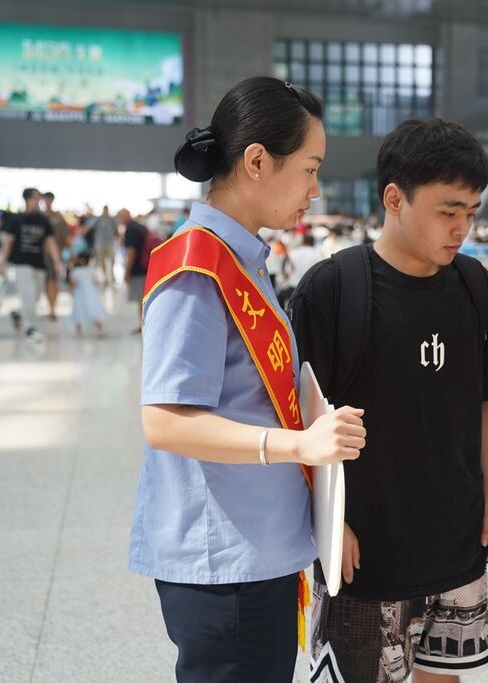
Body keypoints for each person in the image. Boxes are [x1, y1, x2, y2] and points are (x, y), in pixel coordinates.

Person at [129, 77, 366, 683]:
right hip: (224, 565)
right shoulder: (196, 269)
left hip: (258, 548)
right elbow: (164, 420)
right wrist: (299, 446)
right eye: (310, 168)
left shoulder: (245, 262)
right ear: (258, 161)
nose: (316, 190)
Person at [290, 118, 488, 683]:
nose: (461, 228)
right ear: (395, 198)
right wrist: (330, 526)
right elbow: (300, 420)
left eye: (471, 213)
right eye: (447, 211)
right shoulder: (334, 290)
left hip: (456, 541)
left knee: (444, 676)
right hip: (367, 550)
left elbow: (482, 402)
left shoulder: (475, 286)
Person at [0, 188, 63, 342]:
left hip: (39, 263)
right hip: (22, 263)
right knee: (27, 294)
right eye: (35, 198)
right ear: (27, 199)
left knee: (36, 295)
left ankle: (19, 314)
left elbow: (50, 242)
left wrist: (57, 261)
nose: (38, 201)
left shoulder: (43, 220)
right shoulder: (16, 220)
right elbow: (8, 242)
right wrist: (2, 263)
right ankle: (30, 328)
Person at [118, 209, 149, 333]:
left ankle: (143, 325)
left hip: (137, 269)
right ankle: (143, 324)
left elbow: (131, 252)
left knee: (140, 299)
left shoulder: (130, 230)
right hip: (146, 266)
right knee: (143, 298)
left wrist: (126, 271)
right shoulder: (140, 227)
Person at [42, 192, 71, 320]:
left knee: (54, 280)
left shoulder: (58, 217)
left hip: (56, 253)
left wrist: (69, 252)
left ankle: (53, 308)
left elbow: (65, 237)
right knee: (45, 281)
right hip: (41, 254)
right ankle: (50, 306)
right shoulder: (40, 216)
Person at [68, 251, 107, 337]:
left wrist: (71, 291)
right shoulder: (92, 270)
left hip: (80, 293)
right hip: (91, 292)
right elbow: (96, 281)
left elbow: (73, 283)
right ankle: (100, 329)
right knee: (93, 309)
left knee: (79, 310)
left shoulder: (76, 271)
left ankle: (78, 331)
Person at [89, 205, 117, 284]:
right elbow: (90, 226)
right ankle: (105, 277)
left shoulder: (112, 219)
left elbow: (116, 230)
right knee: (102, 260)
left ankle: (112, 275)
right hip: (100, 242)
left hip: (110, 242)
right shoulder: (98, 219)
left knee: (111, 259)